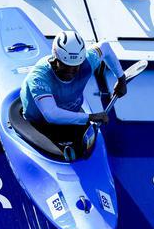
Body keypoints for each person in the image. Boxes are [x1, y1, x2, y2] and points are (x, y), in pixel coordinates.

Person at [20, 30, 127, 159]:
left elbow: (105, 47)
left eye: (75, 67)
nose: (70, 72)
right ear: (56, 58)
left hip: (71, 117)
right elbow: (51, 115)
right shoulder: (39, 77)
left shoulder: (87, 61)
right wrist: (89, 117)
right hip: (39, 123)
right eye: (65, 66)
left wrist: (121, 78)